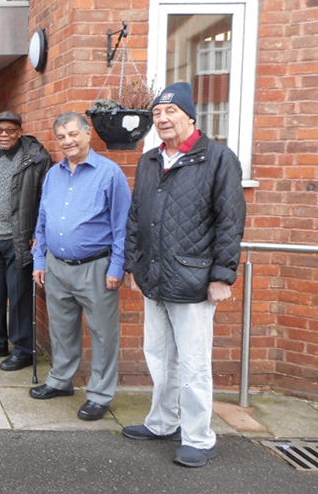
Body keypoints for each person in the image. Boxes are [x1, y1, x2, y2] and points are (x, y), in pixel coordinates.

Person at [123, 81, 246, 468]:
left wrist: (222, 276)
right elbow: (135, 216)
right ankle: (162, 422)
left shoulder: (218, 158)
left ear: (191, 116)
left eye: (170, 112)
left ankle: (198, 436)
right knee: (159, 356)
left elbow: (230, 220)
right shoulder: (150, 160)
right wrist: (133, 264)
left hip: (194, 278)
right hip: (153, 276)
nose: (162, 119)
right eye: (157, 113)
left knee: (193, 362)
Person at [30, 112, 131, 421]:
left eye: (73, 134)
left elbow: (123, 224)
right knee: (61, 329)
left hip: (96, 268)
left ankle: (100, 395)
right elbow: (43, 220)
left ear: (88, 134)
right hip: (56, 266)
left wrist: (117, 266)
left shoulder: (110, 174)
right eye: (61, 137)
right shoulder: (54, 174)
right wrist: (39, 259)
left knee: (102, 334)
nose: (68, 141)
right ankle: (61, 381)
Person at [0, 111, 52, 371]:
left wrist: (37, 236)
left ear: (20, 131)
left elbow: (45, 199)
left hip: (19, 239)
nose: (4, 134)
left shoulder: (37, 158)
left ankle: (23, 350)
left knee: (18, 298)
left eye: (10, 130)